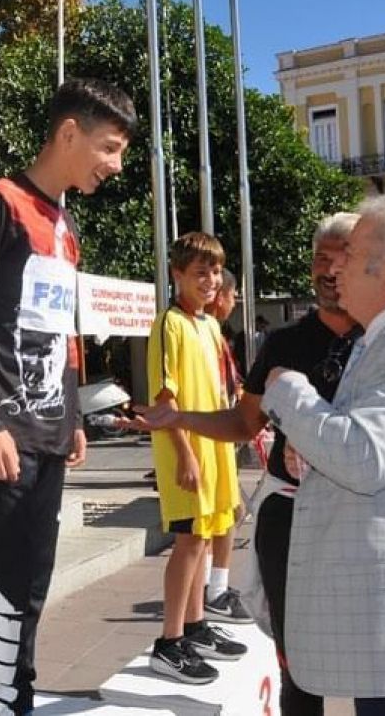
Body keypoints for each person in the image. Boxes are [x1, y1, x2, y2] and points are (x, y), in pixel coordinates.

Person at [139, 199, 385, 714]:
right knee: (300, 668)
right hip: (369, 578)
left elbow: (363, 457)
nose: (333, 267)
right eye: (326, 256)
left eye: (349, 253)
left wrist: (293, 396)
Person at [0, 77, 135, 715]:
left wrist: (74, 413)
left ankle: (15, 702)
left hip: (50, 433)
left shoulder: (66, 224)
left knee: (31, 583)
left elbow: (64, 326)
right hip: (1, 434)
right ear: (68, 133)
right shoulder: (0, 202)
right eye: (109, 148)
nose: (115, 165)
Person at [145, 232, 247, 684]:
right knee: (187, 542)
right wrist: (184, 452)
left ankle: (194, 625)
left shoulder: (208, 324)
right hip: (185, 451)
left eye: (214, 271)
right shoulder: (169, 323)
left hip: (215, 448)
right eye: (199, 272)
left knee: (205, 537)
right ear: (177, 275)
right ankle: (168, 642)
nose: (210, 280)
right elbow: (164, 401)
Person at [201, 268, 253, 628]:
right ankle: (212, 590)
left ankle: (212, 586)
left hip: (219, 439)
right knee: (219, 519)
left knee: (226, 516)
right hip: (206, 439)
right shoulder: (199, 330)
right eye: (233, 296)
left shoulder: (214, 333)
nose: (234, 303)